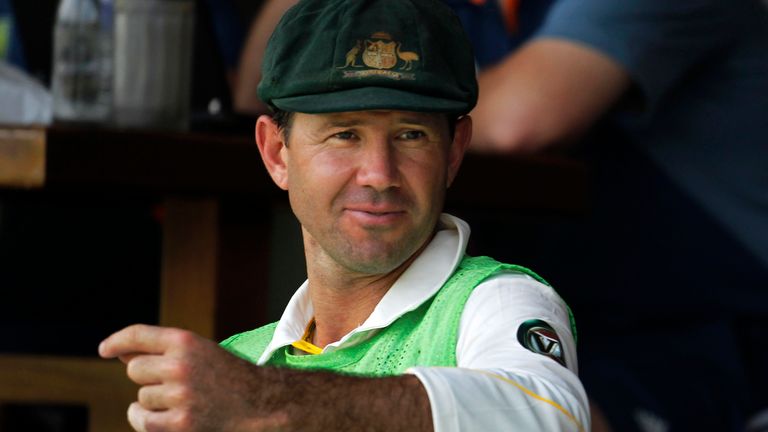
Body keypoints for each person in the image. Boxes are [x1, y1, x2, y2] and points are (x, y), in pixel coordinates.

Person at [98, 0, 590, 431]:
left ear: (454, 152)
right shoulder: (238, 365)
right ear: (276, 153)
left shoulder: (497, 302)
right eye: (344, 134)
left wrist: (266, 402)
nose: (379, 173)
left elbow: (548, 420)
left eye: (411, 135)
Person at [441, 1, 768, 431]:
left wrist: (356, 112)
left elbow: (516, 120)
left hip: (714, 320)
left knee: (507, 412)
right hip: (581, 306)